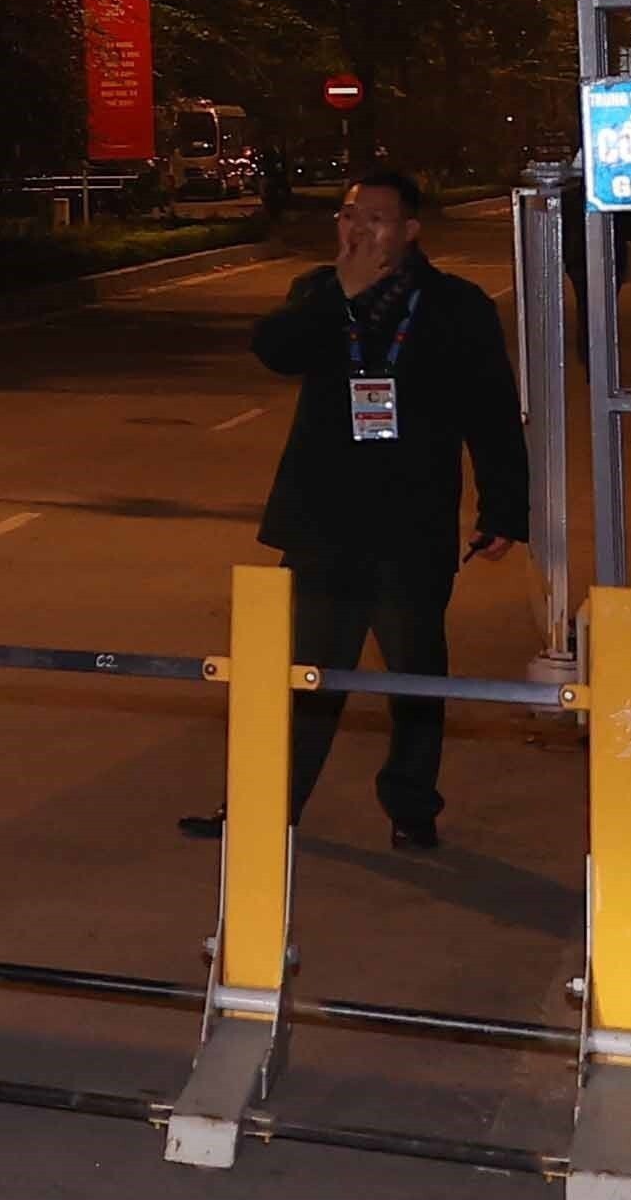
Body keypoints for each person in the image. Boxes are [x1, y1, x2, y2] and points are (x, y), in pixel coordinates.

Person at [186, 164, 526, 852]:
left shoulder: (455, 305)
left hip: (412, 522)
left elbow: (491, 412)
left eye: (375, 218)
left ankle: (411, 807)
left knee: (415, 675)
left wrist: (503, 511)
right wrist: (341, 293)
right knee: (304, 674)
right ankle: (264, 807)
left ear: (410, 230)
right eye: (348, 216)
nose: (358, 229)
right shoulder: (318, 292)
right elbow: (276, 350)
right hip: (325, 521)